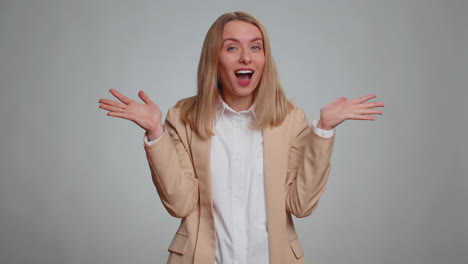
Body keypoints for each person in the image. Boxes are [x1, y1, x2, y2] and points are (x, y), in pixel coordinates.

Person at [98, 11, 383, 264]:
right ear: (214, 59)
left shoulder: (290, 118)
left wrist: (323, 130)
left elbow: (301, 205)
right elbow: (180, 204)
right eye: (232, 48)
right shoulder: (183, 116)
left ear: (264, 59)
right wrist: (155, 132)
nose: (246, 57)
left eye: (255, 47)